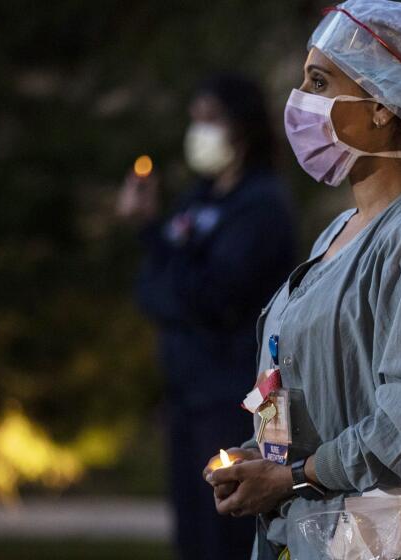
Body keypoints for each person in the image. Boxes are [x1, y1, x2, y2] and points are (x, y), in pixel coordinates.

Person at [202, 1, 401, 558]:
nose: (300, 103)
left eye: (319, 82)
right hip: (314, 535)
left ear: (382, 104)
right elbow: (329, 390)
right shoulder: (343, 230)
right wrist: (265, 457)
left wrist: (292, 479)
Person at [117, 74, 296, 559]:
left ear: (241, 127)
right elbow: (154, 292)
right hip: (187, 395)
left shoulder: (260, 207)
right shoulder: (198, 200)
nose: (199, 131)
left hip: (233, 398)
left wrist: (168, 265)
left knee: (227, 536)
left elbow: (215, 298)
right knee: (193, 537)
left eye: (210, 120)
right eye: (195, 120)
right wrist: (151, 235)